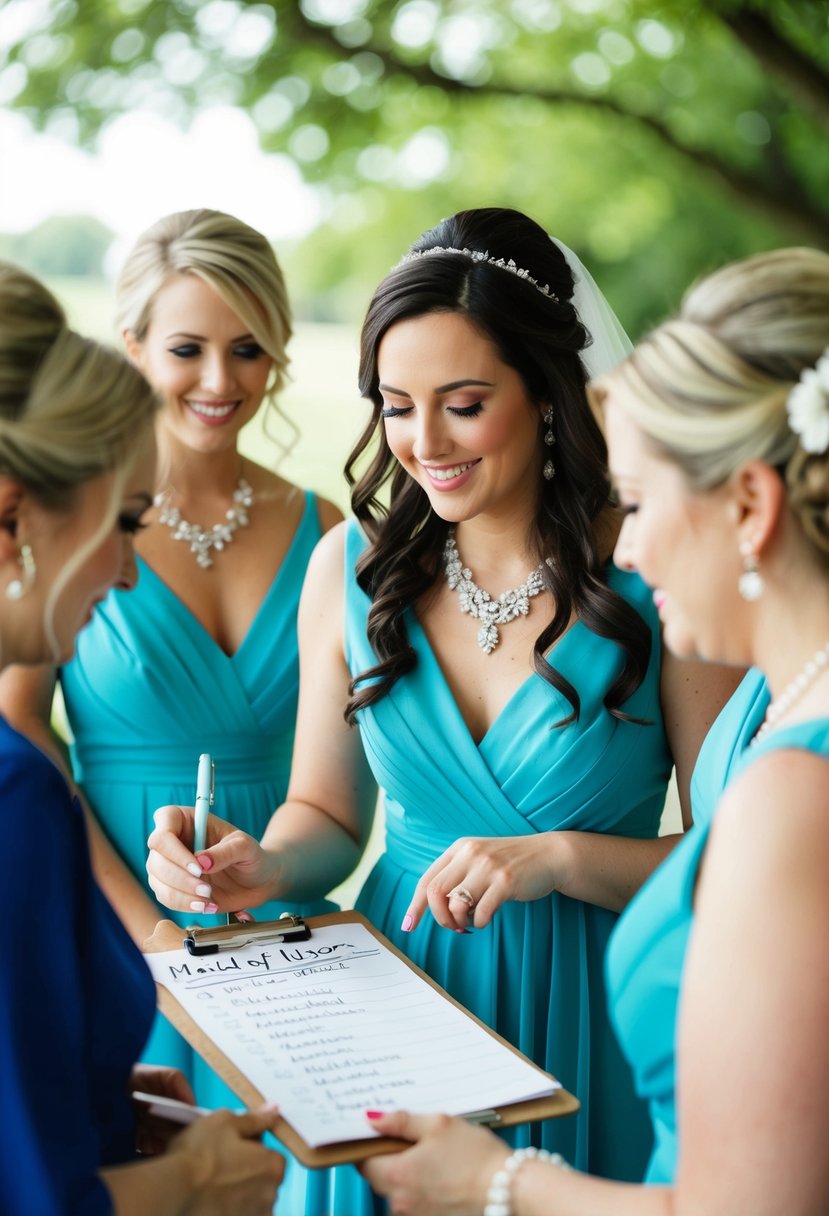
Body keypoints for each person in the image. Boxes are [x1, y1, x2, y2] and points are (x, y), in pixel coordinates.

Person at [146, 207, 739, 1208]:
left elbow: (739, 862)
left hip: (590, 1012)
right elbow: (328, 817)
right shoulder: (350, 569)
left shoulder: (650, 577)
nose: (424, 442)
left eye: (463, 404)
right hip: (394, 1009)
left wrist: (562, 856)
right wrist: (261, 861)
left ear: (546, 396)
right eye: (396, 405)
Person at [358, 244, 829, 1216]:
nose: (633, 542)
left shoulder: (794, 782)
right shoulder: (772, 709)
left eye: (647, 502)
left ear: (750, 504)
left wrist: (496, 1179)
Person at [0, 210, 344, 1114]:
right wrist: (146, 932)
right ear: (132, 347)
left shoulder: (328, 534)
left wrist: (276, 873)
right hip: (110, 903)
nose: (221, 380)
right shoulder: (70, 525)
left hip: (280, 915)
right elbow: (19, 726)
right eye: (188, 348)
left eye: (250, 348)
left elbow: (346, 781)